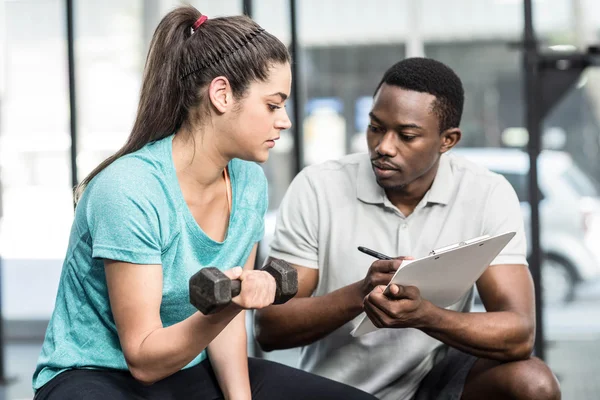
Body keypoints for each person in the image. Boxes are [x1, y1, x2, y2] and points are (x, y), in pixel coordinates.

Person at [32, 6, 377, 400]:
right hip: (95, 376)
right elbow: (143, 359)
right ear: (222, 94)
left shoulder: (248, 182)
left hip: (186, 368)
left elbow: (225, 323)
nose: (285, 120)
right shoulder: (130, 189)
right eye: (272, 104)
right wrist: (233, 303)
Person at [255, 57, 562, 400]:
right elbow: (270, 327)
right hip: (338, 388)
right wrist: (360, 294)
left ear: (448, 140)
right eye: (375, 127)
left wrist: (426, 315)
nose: (384, 146)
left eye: (407, 135)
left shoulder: (487, 193)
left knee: (533, 383)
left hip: (435, 385)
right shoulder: (317, 187)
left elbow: (520, 333)